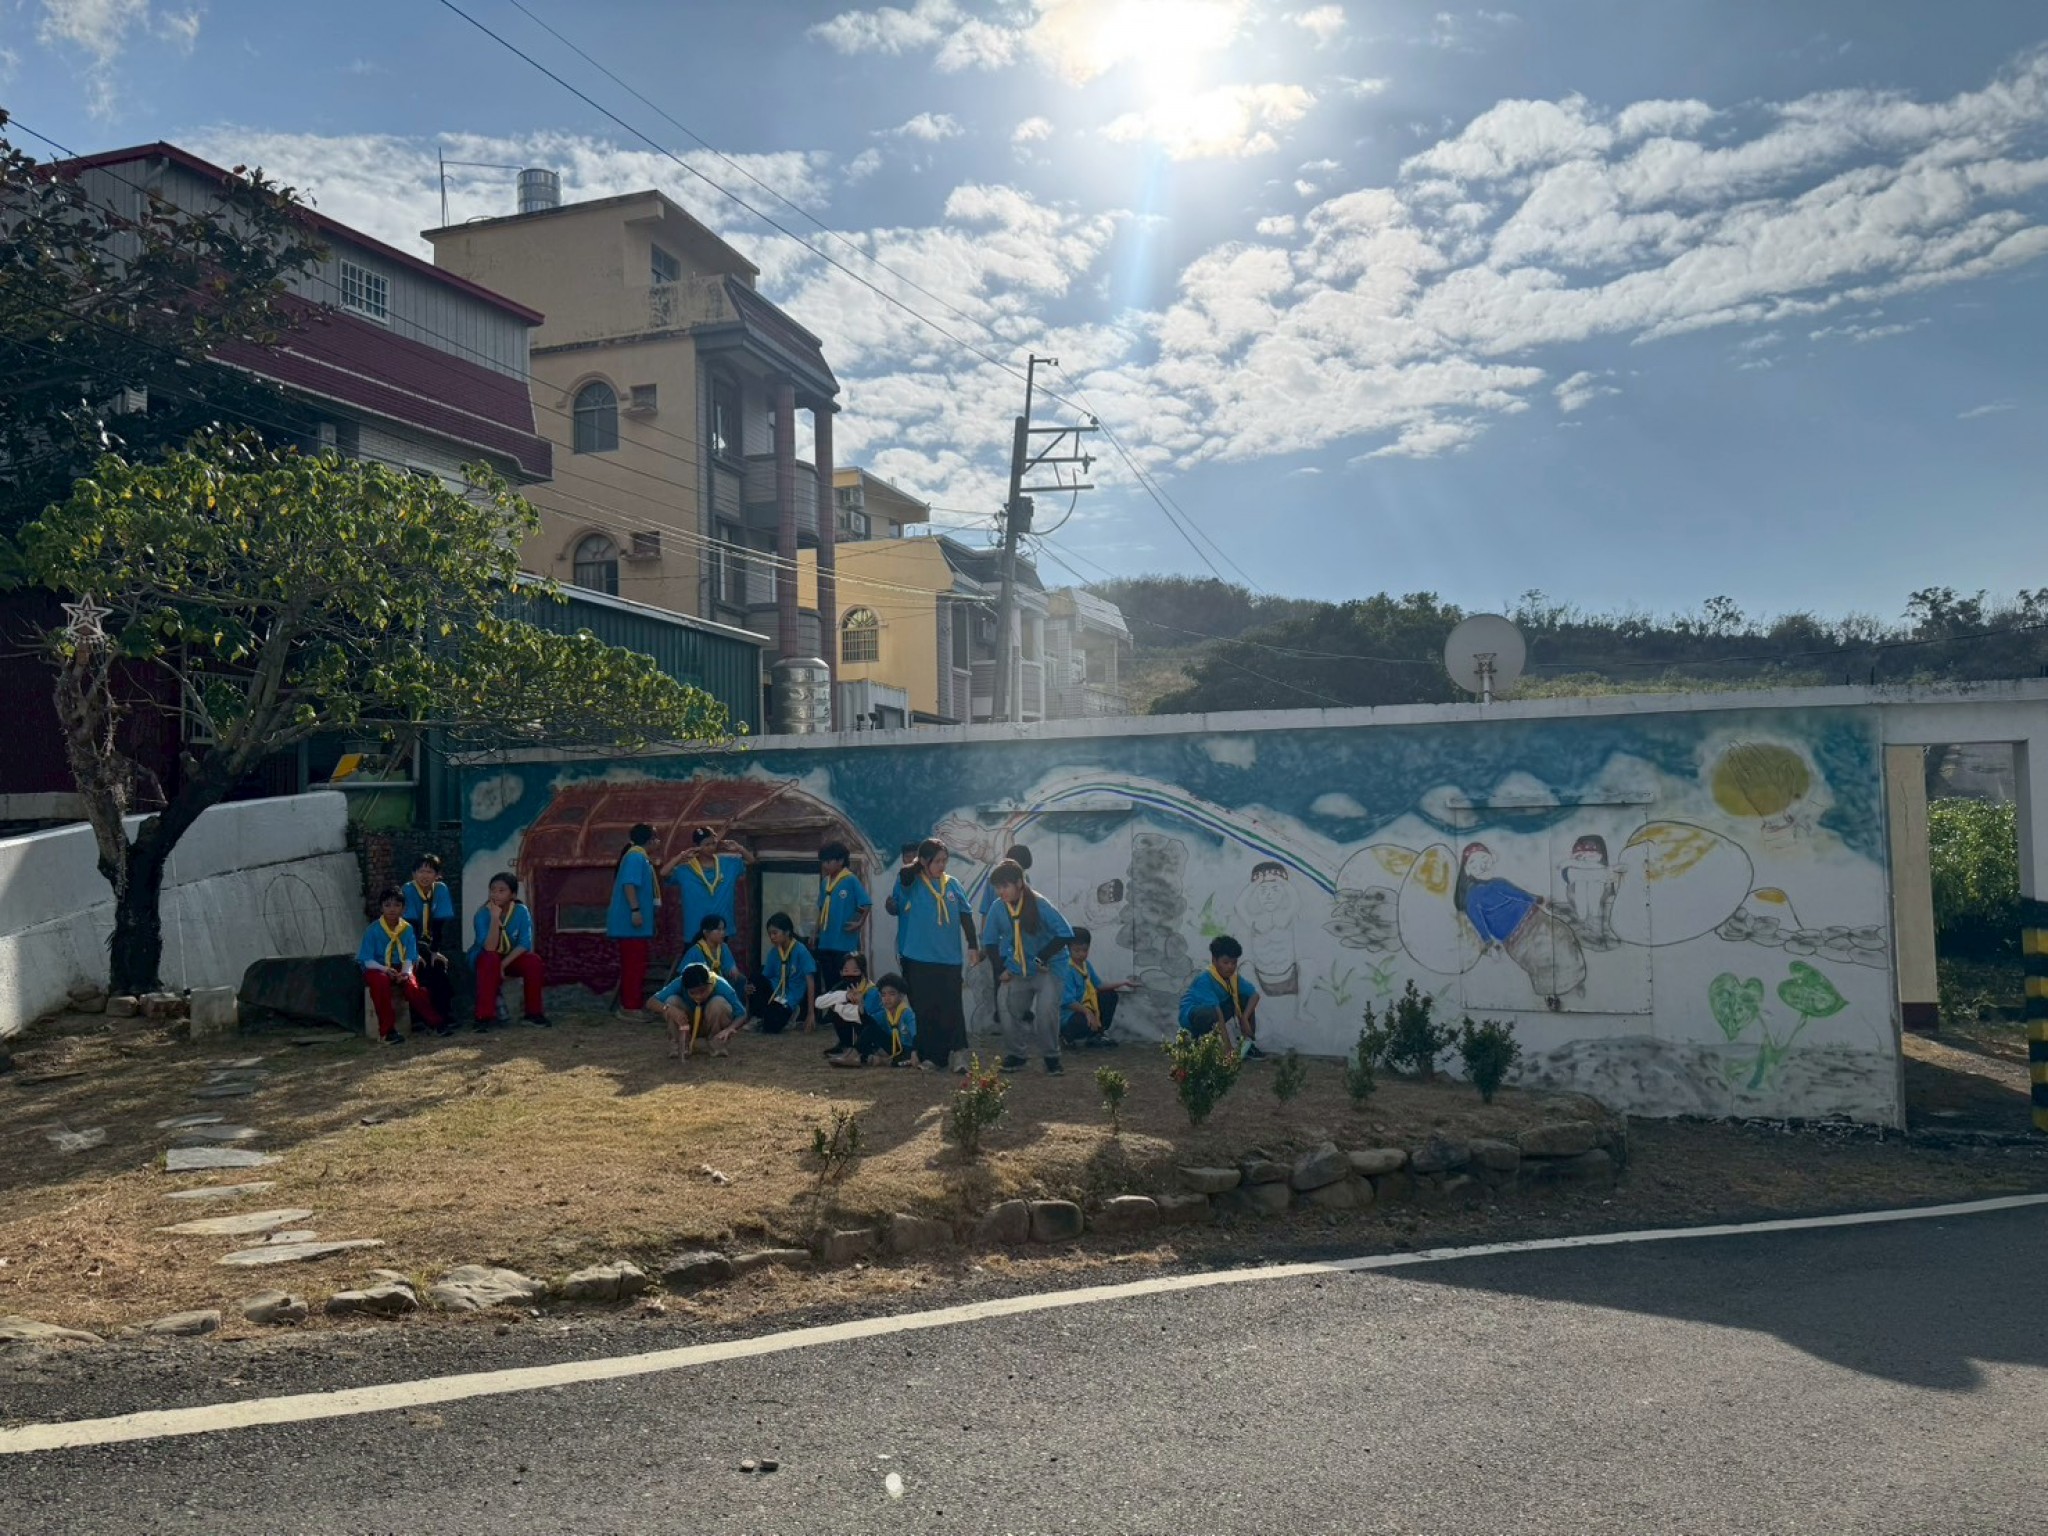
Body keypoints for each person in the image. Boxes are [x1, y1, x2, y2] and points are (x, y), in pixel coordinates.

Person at [886, 837, 978, 1072]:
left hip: (949, 959)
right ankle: (934, 1057)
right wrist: (918, 863)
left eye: (945, 860)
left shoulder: (952, 885)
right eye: (937, 861)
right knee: (926, 1010)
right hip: (918, 958)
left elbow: (966, 915)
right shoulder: (912, 883)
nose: (942, 865)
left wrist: (972, 945)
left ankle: (959, 1055)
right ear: (925, 862)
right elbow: (904, 877)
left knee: (952, 1008)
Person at [982, 858, 1075, 1075]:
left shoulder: (1039, 904)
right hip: (1017, 968)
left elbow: (1065, 933)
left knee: (1046, 1011)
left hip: (1048, 967)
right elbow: (990, 942)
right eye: (997, 887)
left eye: (1005, 886)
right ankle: (1017, 1054)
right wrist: (1000, 970)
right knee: (1006, 1005)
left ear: (1019, 883)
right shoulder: (998, 908)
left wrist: (1042, 958)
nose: (1000, 892)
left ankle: (1051, 1057)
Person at [358, 887, 445, 1043]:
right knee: (380, 982)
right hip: (377, 968)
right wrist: (386, 969)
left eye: (397, 905)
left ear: (404, 909)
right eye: (387, 905)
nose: (392, 909)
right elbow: (367, 960)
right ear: (381, 908)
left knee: (413, 987)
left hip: (400, 966)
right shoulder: (373, 930)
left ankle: (435, 1023)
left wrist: (406, 973)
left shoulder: (407, 929)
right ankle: (387, 1032)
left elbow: (410, 956)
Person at [469, 871, 550, 1030]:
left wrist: (503, 964)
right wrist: (494, 918)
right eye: (493, 890)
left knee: (533, 962)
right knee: (491, 958)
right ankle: (484, 1017)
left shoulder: (521, 911)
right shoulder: (482, 914)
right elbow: (489, 948)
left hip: (509, 957)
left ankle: (533, 1013)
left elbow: (525, 943)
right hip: (485, 958)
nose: (496, 894)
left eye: (501, 890)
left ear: (512, 894)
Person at [969, 843, 1031, 1042]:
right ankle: (1003, 1021)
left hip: (1019, 944)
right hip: (1001, 945)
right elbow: (987, 912)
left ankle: (1016, 1020)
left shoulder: (1024, 882)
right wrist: (985, 942)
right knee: (1001, 982)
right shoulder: (993, 881)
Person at [664, 827, 749, 969]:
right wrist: (681, 856)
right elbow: (664, 873)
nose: (711, 847)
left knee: (718, 967)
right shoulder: (686, 870)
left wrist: (739, 848)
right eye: (706, 844)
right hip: (695, 929)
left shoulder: (728, 864)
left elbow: (752, 861)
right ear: (697, 847)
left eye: (713, 843)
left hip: (720, 927)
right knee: (694, 971)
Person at [1178, 934, 1263, 1058]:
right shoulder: (1205, 979)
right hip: (1194, 1016)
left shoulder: (1233, 978)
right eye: (1226, 962)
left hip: (1216, 1011)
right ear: (1214, 960)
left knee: (1245, 998)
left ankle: (1247, 1045)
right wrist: (1228, 1048)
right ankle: (1198, 1045)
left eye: (1234, 962)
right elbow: (1217, 1014)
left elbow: (1254, 995)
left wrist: (1244, 1018)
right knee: (1209, 1013)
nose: (1230, 967)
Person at [607, 823, 660, 1015]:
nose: (658, 842)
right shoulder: (636, 857)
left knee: (636, 964)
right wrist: (635, 910)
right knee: (633, 965)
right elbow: (629, 885)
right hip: (631, 923)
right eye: (656, 838)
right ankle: (630, 1007)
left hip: (637, 923)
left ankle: (633, 1004)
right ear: (650, 840)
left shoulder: (639, 856)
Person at [1057, 926, 1137, 1050]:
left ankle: (1097, 1034)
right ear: (1068, 949)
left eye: (1085, 950)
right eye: (1077, 950)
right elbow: (1068, 1001)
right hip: (1070, 1014)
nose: (1081, 954)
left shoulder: (1086, 965)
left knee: (1109, 995)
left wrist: (1123, 983)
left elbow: (1099, 985)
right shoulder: (1066, 969)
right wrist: (1087, 1012)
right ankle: (1067, 1037)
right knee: (1082, 1020)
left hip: (1087, 1007)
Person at [400, 854, 459, 1024]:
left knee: (438, 965)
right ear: (413, 874)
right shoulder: (408, 890)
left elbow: (439, 922)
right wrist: (415, 953)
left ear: (437, 875)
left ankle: (445, 1013)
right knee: (421, 968)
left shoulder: (440, 889)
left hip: (428, 941)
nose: (424, 876)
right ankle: (423, 1018)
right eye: (421, 871)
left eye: (429, 871)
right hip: (407, 941)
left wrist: (435, 951)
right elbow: (409, 925)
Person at [650, 961, 744, 1063]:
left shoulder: (721, 985)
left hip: (710, 1023)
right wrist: (669, 1009)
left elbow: (742, 1013)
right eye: (692, 993)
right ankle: (680, 1045)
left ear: (709, 984)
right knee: (671, 1001)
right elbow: (651, 1002)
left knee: (719, 1003)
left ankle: (717, 1044)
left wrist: (729, 1029)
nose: (698, 996)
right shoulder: (679, 983)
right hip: (686, 1023)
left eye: (702, 991)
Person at [827, 971, 919, 1069]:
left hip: (908, 1050)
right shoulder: (884, 1013)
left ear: (901, 995)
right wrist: (860, 1006)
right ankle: (854, 1054)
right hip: (893, 1048)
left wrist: (914, 1052)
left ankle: (874, 1059)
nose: (887, 998)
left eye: (892, 994)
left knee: (872, 1031)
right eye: (883, 995)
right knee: (868, 1027)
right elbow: (867, 1023)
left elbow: (917, 1035)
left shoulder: (907, 1013)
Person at [813, 841, 870, 988]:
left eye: (828, 861)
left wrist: (859, 922)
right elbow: (821, 908)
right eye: (823, 862)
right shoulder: (825, 882)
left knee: (846, 984)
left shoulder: (850, 880)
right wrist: (815, 932)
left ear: (840, 861)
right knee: (829, 983)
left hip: (844, 943)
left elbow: (865, 903)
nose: (825, 865)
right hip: (826, 942)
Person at [753, 912, 817, 1034]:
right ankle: (758, 1016)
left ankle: (792, 1014)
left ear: (787, 932)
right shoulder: (774, 952)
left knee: (771, 1028)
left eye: (775, 933)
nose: (772, 937)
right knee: (755, 979)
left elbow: (810, 980)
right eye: (770, 934)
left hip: (791, 997)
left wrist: (811, 1013)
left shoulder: (801, 951)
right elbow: (765, 978)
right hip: (776, 993)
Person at [814, 951, 874, 1056]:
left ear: (863, 972)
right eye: (846, 971)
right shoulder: (841, 986)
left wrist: (840, 1008)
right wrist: (845, 996)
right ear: (841, 972)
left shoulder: (871, 989)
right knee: (835, 1006)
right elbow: (819, 1002)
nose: (850, 974)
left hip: (868, 1034)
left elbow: (865, 1015)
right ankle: (845, 1044)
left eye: (855, 971)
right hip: (848, 1029)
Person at [683, 915, 746, 994]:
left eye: (723, 929)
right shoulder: (695, 951)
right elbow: (683, 974)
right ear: (706, 932)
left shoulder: (723, 947)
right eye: (718, 929)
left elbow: (729, 966)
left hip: (720, 982)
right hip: (702, 986)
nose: (723, 933)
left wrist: (733, 969)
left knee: (741, 980)